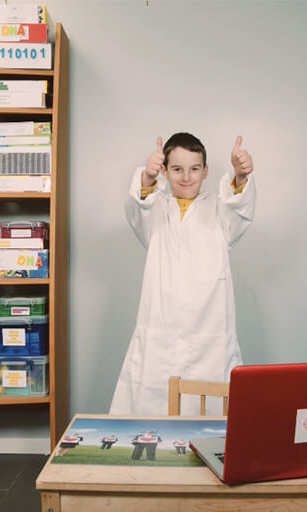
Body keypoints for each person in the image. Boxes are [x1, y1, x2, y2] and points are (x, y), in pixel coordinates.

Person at [109, 132, 255, 416]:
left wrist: (239, 177)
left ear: (206, 171)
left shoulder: (219, 210)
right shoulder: (156, 210)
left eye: (194, 168)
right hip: (160, 331)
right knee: (153, 410)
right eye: (176, 168)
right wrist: (148, 179)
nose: (186, 177)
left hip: (209, 333)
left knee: (212, 414)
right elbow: (137, 208)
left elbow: (240, 210)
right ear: (165, 170)